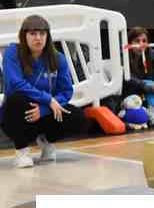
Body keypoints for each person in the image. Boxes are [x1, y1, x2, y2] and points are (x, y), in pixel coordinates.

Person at [0, 14, 88, 168]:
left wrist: (44, 109)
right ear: (24, 36)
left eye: (42, 33)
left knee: (79, 118)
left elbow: (66, 91)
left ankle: (46, 141)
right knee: (16, 99)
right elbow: (15, 83)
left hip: (44, 111)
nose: (38, 38)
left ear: (48, 36)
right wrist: (48, 99)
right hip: (18, 113)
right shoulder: (12, 52)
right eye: (33, 33)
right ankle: (22, 151)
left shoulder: (58, 58)